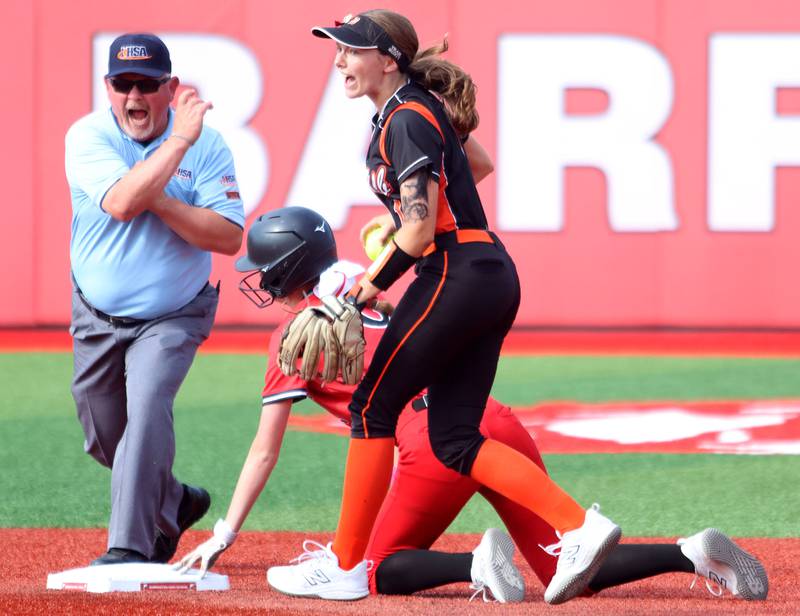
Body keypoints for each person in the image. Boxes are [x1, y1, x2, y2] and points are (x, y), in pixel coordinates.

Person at [175, 206, 768, 604]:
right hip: (487, 418)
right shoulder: (367, 280)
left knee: (372, 570)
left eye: (266, 273)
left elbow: (264, 450)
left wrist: (224, 532)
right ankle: (691, 553)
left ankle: (474, 565)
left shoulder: (292, 338)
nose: (262, 284)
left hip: (432, 442)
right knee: (562, 566)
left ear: (285, 272)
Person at [264, 9, 620, 605]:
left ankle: (347, 567)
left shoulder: (404, 115)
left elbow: (422, 228)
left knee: (372, 408)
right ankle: (580, 528)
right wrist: (411, 216)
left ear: (388, 58)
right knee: (455, 438)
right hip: (489, 272)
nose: (340, 61)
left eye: (351, 50)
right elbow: (472, 170)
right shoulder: (414, 111)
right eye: (338, 50)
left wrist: (364, 287)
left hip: (454, 271)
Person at [64, 32, 244, 565]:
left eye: (147, 85)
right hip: (96, 314)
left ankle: (128, 549)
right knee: (104, 439)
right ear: (108, 87)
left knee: (145, 412)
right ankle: (175, 499)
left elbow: (229, 236)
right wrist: (175, 152)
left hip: (174, 313)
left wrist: (162, 190)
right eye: (123, 84)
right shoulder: (88, 135)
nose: (134, 97)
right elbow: (121, 202)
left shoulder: (206, 144)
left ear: (171, 88)